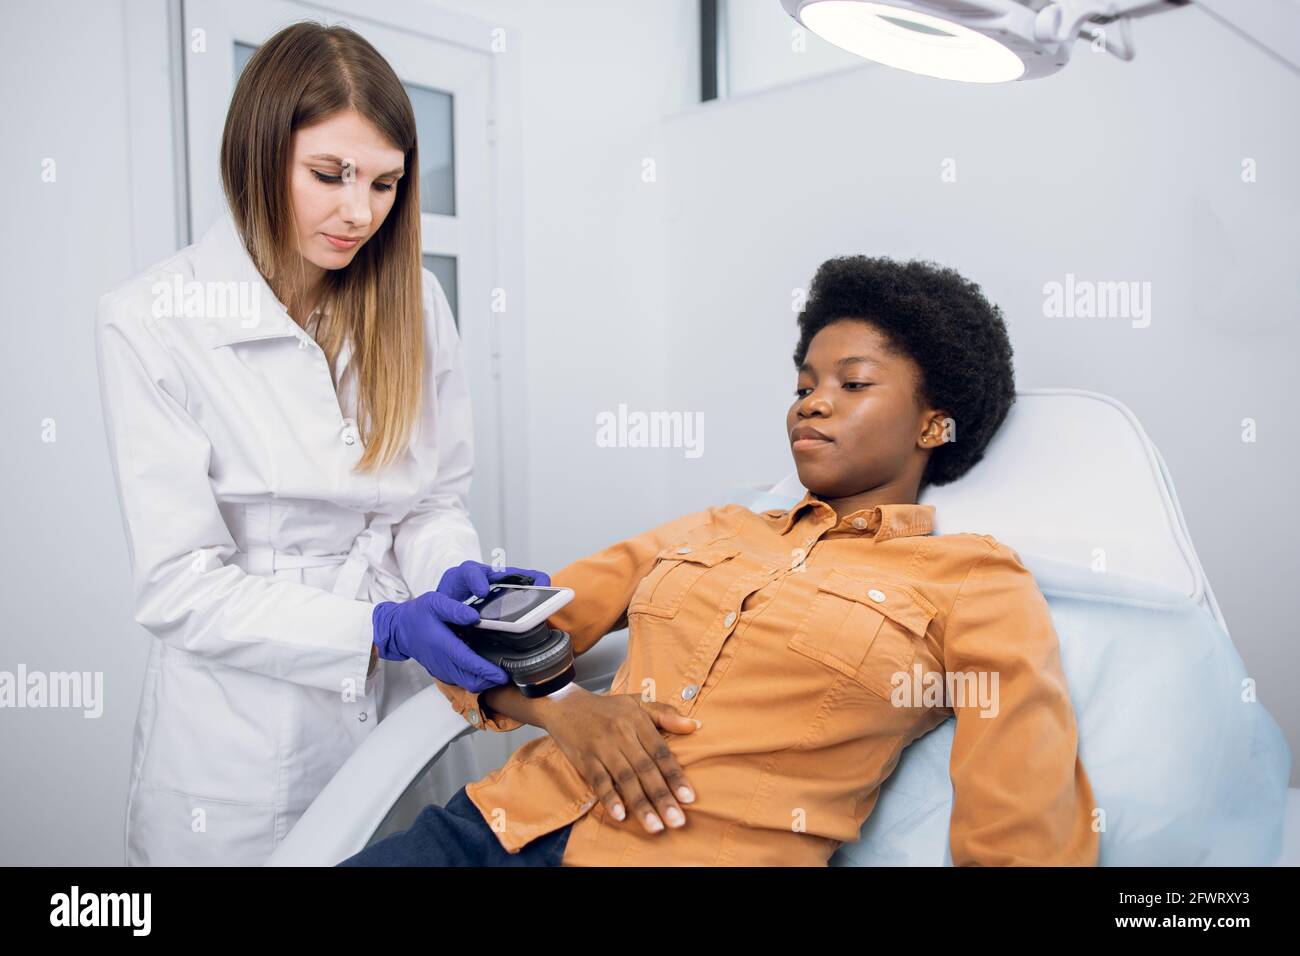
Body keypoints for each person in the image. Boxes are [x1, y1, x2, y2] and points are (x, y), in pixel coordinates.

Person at [341, 255, 1100, 867]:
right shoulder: (717, 527)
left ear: (935, 422)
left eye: (853, 383)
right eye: (804, 384)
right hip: (488, 832)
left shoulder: (977, 581)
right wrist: (565, 714)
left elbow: (1021, 830)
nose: (811, 402)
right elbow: (486, 642)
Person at [94, 22, 545, 866]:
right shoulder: (153, 319)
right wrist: (379, 627)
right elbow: (180, 586)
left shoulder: (415, 304)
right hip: (236, 752)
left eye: (384, 184)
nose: (359, 212)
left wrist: (448, 572)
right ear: (259, 153)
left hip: (400, 729)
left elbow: (431, 500)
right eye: (329, 175)